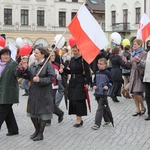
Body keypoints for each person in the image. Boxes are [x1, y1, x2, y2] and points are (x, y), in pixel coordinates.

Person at [18, 46, 55, 141]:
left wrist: (40, 80)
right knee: (32, 113)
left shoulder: (48, 64)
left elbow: (51, 78)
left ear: (42, 54)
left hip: (44, 93)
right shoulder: (33, 64)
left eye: (37, 53)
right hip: (34, 92)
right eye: (34, 53)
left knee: (43, 114)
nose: (34, 54)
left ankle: (40, 133)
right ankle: (37, 130)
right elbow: (28, 76)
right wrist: (25, 69)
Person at [63, 45, 91, 127]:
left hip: (80, 81)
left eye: (75, 51)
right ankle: (78, 117)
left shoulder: (83, 60)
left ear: (79, 50)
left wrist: (87, 82)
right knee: (73, 100)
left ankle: (78, 119)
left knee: (78, 100)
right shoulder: (72, 59)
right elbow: (70, 70)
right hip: (72, 81)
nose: (74, 53)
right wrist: (63, 69)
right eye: (73, 51)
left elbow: (87, 72)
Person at [124, 39, 147, 116]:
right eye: (133, 44)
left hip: (139, 74)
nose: (134, 45)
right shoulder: (132, 54)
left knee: (137, 92)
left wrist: (139, 61)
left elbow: (145, 64)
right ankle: (137, 109)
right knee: (134, 93)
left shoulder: (144, 53)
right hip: (133, 74)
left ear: (140, 45)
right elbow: (130, 65)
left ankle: (143, 107)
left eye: (135, 44)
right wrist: (126, 62)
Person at [0, 47, 19, 136]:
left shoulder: (13, 64)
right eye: (4, 54)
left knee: (2, 112)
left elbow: (17, 73)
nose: (6, 56)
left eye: (8, 54)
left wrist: (22, 69)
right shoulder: (0, 64)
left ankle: (13, 130)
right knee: (8, 112)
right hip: (1, 92)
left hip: (8, 93)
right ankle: (13, 129)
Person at [92, 58, 113, 130]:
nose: (99, 65)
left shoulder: (107, 73)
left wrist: (108, 86)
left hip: (104, 93)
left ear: (105, 65)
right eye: (98, 64)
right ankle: (107, 120)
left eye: (101, 64)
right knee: (104, 107)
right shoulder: (97, 72)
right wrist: (94, 85)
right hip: (97, 92)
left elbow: (111, 82)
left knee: (100, 108)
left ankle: (97, 123)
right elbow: (94, 81)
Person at [134, 47, 150, 120]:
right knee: (148, 96)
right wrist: (140, 61)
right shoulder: (149, 53)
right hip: (147, 78)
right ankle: (149, 113)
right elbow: (146, 64)